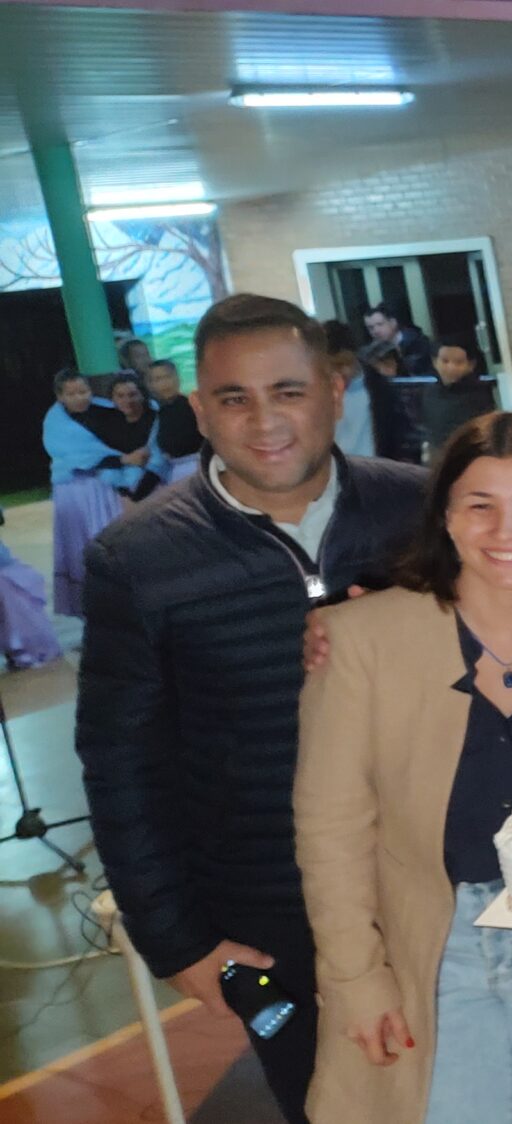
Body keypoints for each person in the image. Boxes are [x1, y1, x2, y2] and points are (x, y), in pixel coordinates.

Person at [77, 294, 429, 1124]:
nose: (263, 420)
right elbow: (121, 765)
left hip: (434, 891)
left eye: (289, 391)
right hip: (271, 916)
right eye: (233, 398)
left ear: (337, 391)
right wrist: (178, 941)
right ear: (199, 410)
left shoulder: (423, 512)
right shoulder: (138, 559)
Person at [295, 411, 512, 1123]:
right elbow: (330, 829)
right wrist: (356, 977)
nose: (504, 530)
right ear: (446, 519)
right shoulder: (360, 639)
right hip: (433, 939)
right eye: (478, 505)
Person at [43, 372, 144, 614]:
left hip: (106, 487)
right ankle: (95, 610)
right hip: (75, 491)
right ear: (60, 396)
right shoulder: (54, 423)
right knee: (84, 547)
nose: (79, 398)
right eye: (72, 393)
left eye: (83, 392)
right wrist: (121, 459)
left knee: (114, 541)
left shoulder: (106, 412)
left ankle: (128, 603)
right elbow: (75, 454)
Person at [328, 320, 421, 463]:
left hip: (377, 472)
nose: (342, 372)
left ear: (355, 354)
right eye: (333, 366)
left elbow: (401, 436)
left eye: (345, 363)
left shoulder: (380, 387)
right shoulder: (319, 393)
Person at [419, 334, 499, 462]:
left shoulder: (480, 395)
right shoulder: (430, 392)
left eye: (459, 362)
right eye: (445, 361)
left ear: (471, 365)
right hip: (437, 460)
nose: (451, 367)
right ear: (434, 362)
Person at [145, 359, 202, 478]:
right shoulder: (157, 415)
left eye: (167, 377)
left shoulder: (196, 406)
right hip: (176, 473)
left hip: (201, 467)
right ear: (150, 385)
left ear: (177, 378)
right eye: (158, 379)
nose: (164, 383)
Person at [364, 302, 437, 376]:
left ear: (393, 323)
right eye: (370, 328)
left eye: (380, 324)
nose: (375, 331)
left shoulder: (418, 343)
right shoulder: (373, 350)